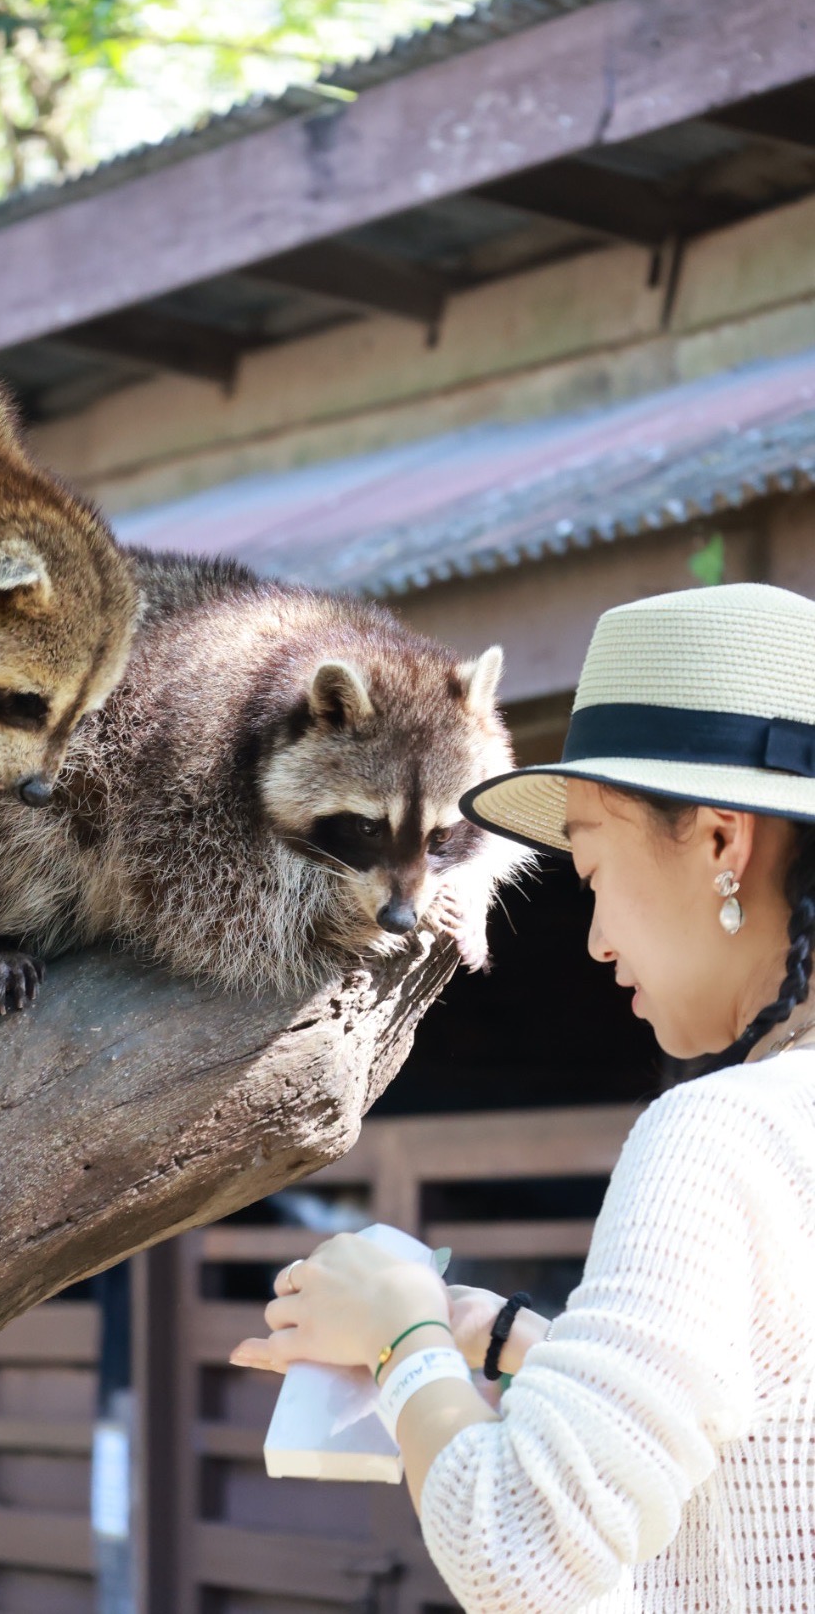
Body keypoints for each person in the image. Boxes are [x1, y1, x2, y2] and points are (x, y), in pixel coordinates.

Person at [230, 582, 815, 1614]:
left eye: (591, 872)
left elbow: (523, 1554)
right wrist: (503, 1343)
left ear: (724, 843)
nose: (592, 941)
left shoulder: (720, 1136)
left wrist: (401, 1333)